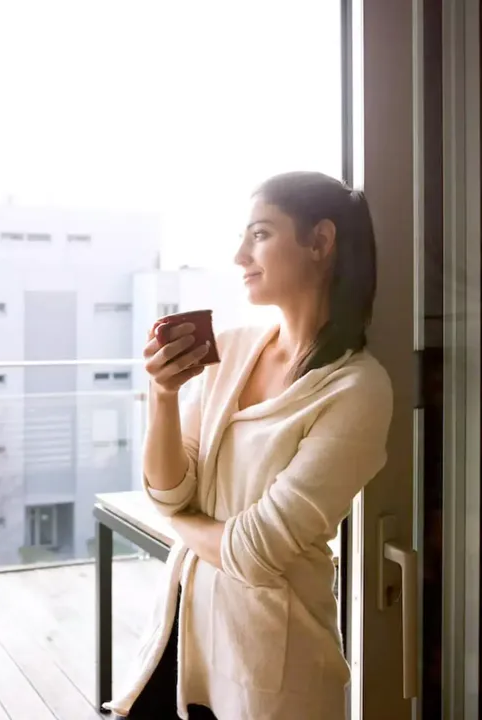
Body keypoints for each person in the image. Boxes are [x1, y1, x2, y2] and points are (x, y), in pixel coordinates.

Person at [106, 171, 393, 719]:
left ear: (320, 241)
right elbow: (168, 492)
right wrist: (163, 396)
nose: (240, 255)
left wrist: (183, 526)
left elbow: (254, 551)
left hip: (274, 671)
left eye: (259, 234)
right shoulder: (232, 351)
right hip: (182, 638)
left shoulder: (358, 389)